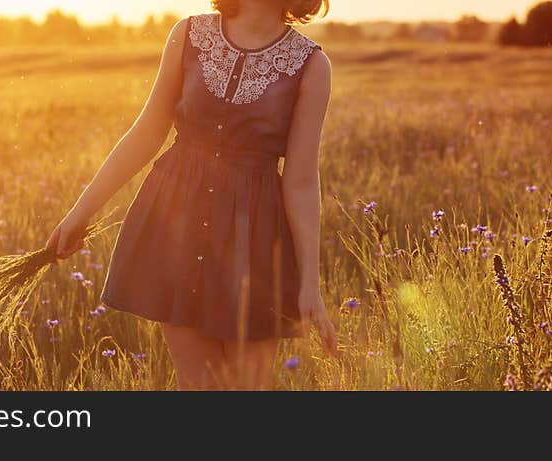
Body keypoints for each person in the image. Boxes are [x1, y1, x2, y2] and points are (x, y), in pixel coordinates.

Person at [46, 0, 336, 390]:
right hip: (177, 225)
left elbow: (300, 180)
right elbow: (147, 132)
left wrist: (309, 286)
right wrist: (79, 214)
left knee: (248, 389)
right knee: (199, 385)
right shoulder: (189, 35)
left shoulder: (311, 66)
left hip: (254, 239)